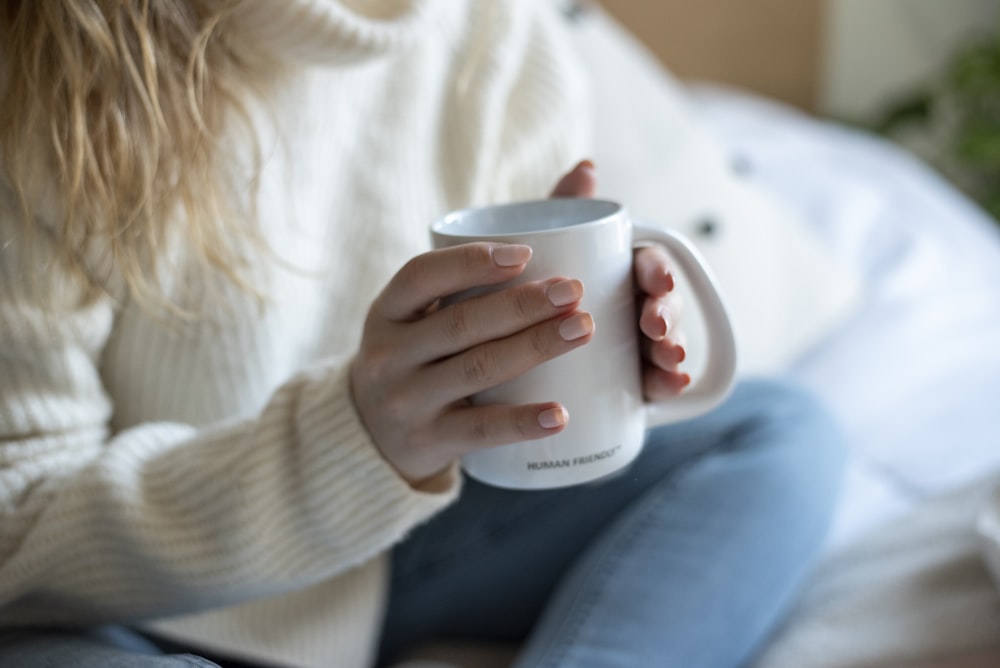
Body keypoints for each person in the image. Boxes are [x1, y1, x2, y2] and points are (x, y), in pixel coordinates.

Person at [0, 1, 845, 666]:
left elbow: (516, 401)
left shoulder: (500, 34)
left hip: (398, 553)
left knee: (780, 432)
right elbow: (18, 527)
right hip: (129, 605)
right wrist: (356, 440)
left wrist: (606, 363)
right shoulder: (44, 71)